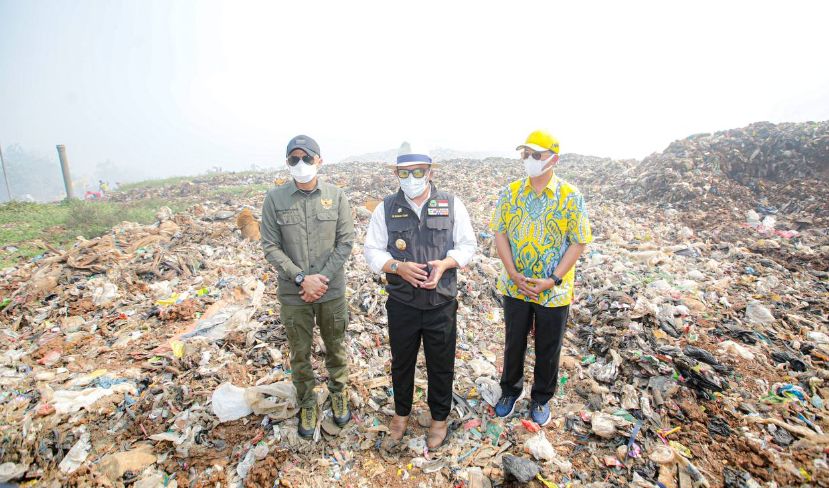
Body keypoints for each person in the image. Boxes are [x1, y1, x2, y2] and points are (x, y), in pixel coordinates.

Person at [364, 142, 477, 448]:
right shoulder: (386, 208)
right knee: (402, 362)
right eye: (404, 172)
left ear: (429, 171)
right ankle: (401, 415)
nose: (411, 177)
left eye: (418, 171)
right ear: (396, 173)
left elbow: (467, 245)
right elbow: (372, 250)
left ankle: (439, 419)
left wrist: (446, 263)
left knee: (441, 363)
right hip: (402, 302)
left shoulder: (452, 204)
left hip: (441, 302)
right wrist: (396, 267)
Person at [490, 130, 592, 426]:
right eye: (527, 155)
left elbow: (578, 241)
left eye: (537, 155)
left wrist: (554, 279)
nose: (530, 160)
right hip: (516, 286)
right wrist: (512, 272)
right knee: (514, 342)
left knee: (549, 346)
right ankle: (510, 391)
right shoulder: (510, 193)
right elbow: (500, 232)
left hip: (553, 291)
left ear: (554, 159)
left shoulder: (570, 196)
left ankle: (541, 398)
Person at [261, 135, 356, 439]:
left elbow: (345, 243)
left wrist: (321, 279)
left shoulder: (336, 196)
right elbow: (271, 247)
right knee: (299, 353)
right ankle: (307, 402)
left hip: (331, 291)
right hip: (294, 293)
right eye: (294, 159)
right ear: (287, 163)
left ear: (319, 160)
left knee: (336, 347)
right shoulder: (274, 200)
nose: (300, 165)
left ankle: (338, 393)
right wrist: (302, 278)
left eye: (307, 158)